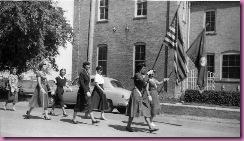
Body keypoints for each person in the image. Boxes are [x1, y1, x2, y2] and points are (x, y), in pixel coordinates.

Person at [125, 63, 158, 133]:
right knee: (134, 110)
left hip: (142, 95)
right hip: (136, 94)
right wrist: (147, 75)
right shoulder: (137, 75)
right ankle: (128, 126)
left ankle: (150, 127)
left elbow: (147, 82)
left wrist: (149, 75)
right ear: (140, 69)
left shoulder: (144, 76)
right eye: (143, 68)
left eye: (145, 68)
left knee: (146, 109)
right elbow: (143, 81)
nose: (145, 69)